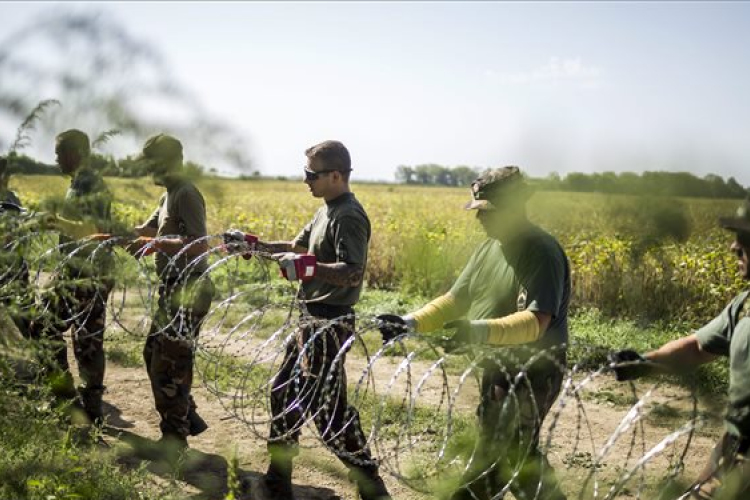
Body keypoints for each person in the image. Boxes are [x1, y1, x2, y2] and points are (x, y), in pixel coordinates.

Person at [377, 166, 570, 500]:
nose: (479, 219)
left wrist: (477, 332)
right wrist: (409, 323)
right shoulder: (488, 249)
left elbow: (536, 321)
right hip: (496, 364)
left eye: (487, 211)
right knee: (508, 452)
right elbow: (455, 300)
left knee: (507, 453)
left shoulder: (541, 251)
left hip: (533, 369)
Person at [226, 140, 391, 500]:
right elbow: (298, 249)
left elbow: (353, 272)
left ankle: (372, 487)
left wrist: (310, 268)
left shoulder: (348, 214)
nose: (305, 181)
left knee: (329, 415)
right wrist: (254, 246)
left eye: (310, 174)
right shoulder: (325, 211)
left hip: (329, 323)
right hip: (310, 320)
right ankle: (277, 480)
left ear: (335, 175)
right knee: (283, 392)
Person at [610, 197, 750, 499]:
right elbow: (698, 346)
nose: (734, 247)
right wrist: (645, 362)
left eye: (745, 239)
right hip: (736, 444)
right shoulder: (744, 306)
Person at [126, 133, 214, 449]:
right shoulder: (168, 195)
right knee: (153, 353)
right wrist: (114, 234)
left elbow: (199, 243)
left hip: (189, 289)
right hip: (173, 289)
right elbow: (149, 229)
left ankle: (175, 440)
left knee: (170, 364)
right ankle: (187, 416)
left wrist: (155, 244)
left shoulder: (186, 193)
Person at [32, 130, 114, 421]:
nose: (56, 160)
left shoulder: (91, 183)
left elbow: (92, 230)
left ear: (75, 153)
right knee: (43, 327)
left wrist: (55, 221)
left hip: (90, 272)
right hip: (70, 270)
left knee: (87, 342)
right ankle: (65, 398)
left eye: (59, 154)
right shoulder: (77, 183)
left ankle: (91, 410)